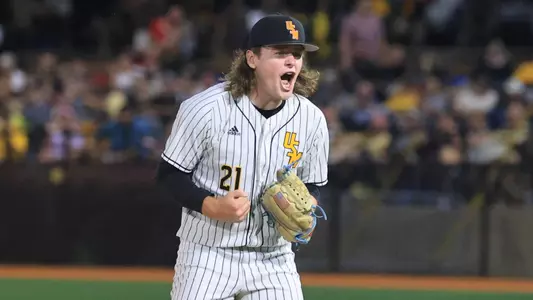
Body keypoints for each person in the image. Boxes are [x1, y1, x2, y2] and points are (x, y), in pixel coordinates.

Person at [157, 14, 329, 300]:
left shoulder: (311, 120)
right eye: (281, 53)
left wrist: (308, 206)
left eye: (297, 55)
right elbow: (169, 175)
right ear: (252, 59)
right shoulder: (205, 109)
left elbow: (313, 184)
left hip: (274, 258)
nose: (292, 62)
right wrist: (210, 205)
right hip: (207, 254)